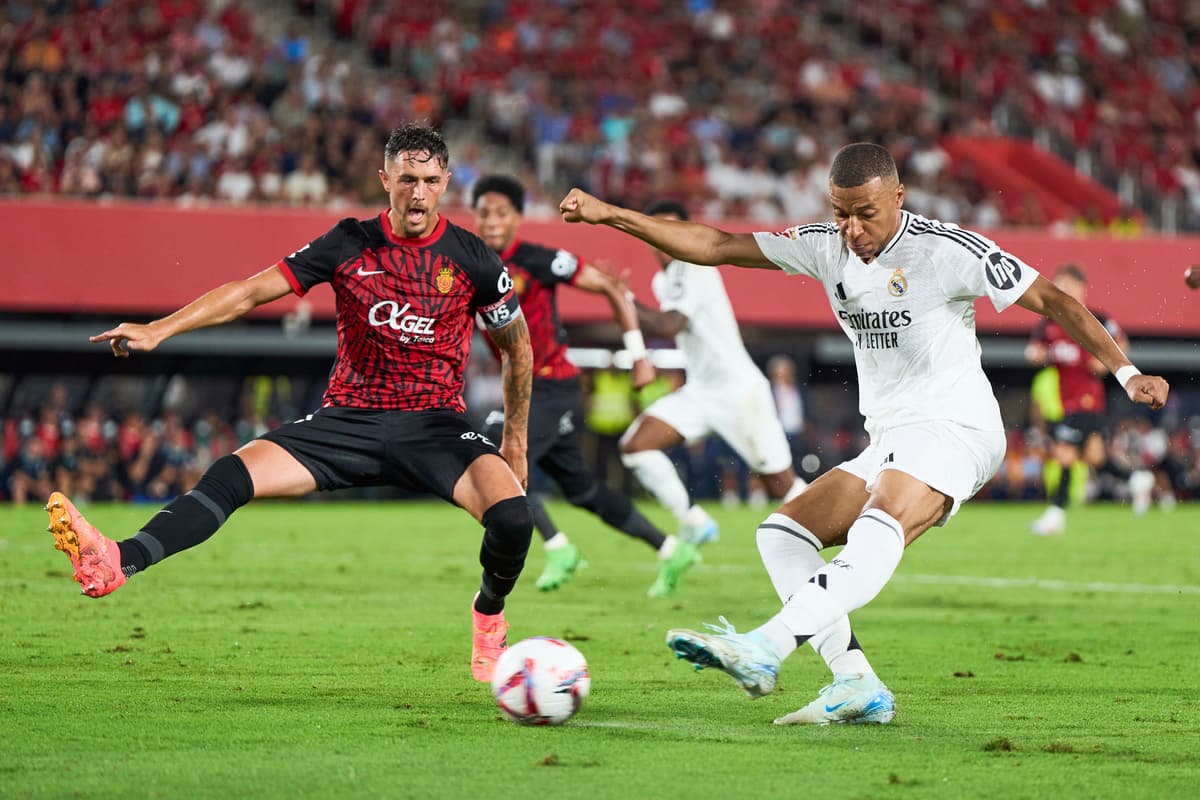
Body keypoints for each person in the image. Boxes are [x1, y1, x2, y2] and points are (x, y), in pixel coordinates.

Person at [559, 142, 1169, 725]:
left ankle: (765, 647)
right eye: (840, 213)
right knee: (782, 533)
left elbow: (1055, 299)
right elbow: (716, 244)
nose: (852, 229)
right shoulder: (826, 247)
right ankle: (855, 681)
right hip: (894, 436)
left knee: (882, 521)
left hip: (958, 427)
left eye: (866, 214)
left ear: (899, 197)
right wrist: (611, 214)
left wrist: (1127, 371)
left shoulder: (945, 250)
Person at [46, 123, 535, 684]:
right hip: (345, 421)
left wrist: (514, 439)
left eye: (429, 180)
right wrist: (160, 329)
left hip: (435, 427)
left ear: (446, 182)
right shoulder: (348, 242)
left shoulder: (474, 261)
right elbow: (252, 291)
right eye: (406, 180)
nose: (418, 193)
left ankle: (488, 616)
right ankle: (116, 560)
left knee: (513, 519)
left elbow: (517, 349)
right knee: (230, 475)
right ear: (385, 180)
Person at [471, 174, 698, 597]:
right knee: (581, 489)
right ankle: (670, 548)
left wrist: (639, 355)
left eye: (501, 212)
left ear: (517, 218)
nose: (492, 222)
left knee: (496, 460)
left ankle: (558, 548)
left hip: (550, 386)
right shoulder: (470, 264)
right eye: (484, 213)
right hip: (521, 388)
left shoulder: (538, 259)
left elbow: (610, 285)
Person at [615, 200, 806, 546]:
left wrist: (620, 295)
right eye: (657, 231)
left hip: (738, 392)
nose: (664, 240)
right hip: (701, 390)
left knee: (783, 486)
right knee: (635, 445)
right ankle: (693, 521)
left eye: (673, 230)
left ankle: (845, 537)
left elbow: (670, 324)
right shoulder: (663, 280)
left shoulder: (696, 266)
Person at [1026, 263, 1144, 533]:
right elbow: (1033, 350)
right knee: (1095, 458)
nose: (1062, 290)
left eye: (1067, 285)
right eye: (1059, 285)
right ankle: (1138, 478)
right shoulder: (1049, 323)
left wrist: (1107, 363)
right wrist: (1035, 355)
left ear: (1082, 288)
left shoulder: (1097, 319)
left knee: (1064, 454)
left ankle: (1055, 514)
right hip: (1066, 399)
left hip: (1088, 400)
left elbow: (1122, 342)